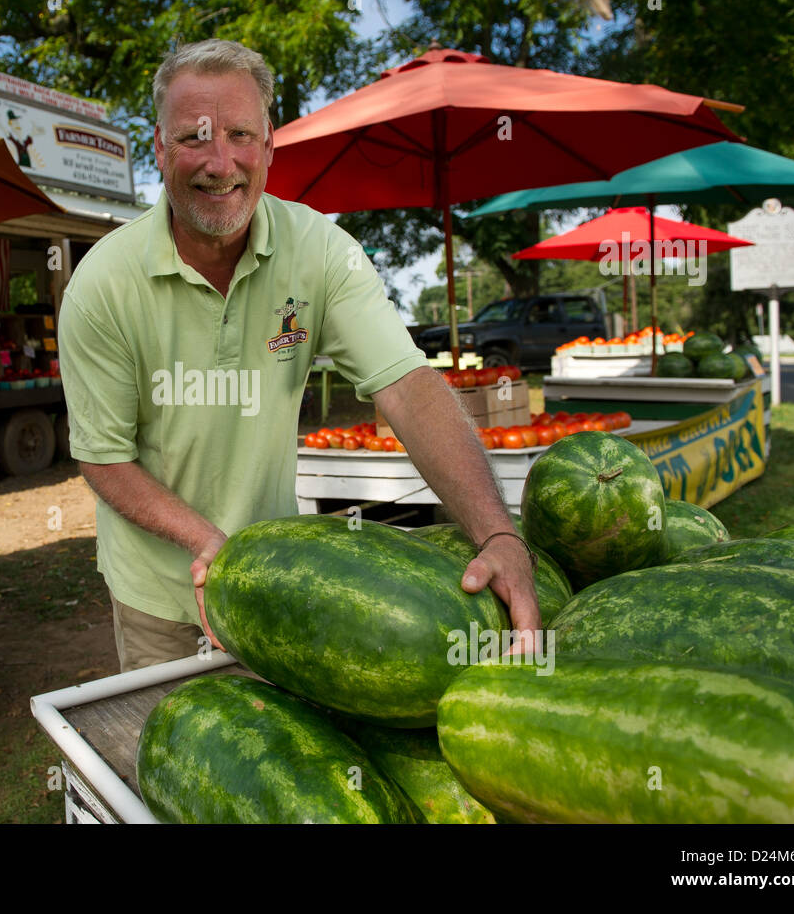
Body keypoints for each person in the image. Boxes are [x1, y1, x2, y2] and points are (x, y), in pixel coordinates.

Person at [58, 39, 539, 671]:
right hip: (156, 592)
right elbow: (105, 457)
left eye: (240, 135)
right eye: (194, 138)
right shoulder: (102, 285)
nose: (220, 162)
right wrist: (207, 542)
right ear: (159, 148)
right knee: (172, 754)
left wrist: (497, 533)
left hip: (279, 579)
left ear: (269, 147)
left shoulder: (320, 251)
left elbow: (407, 386)